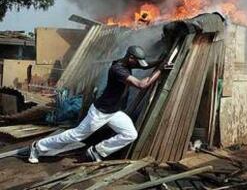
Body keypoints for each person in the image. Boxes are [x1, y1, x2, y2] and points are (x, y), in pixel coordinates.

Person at [28, 45, 162, 163]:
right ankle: (37, 146)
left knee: (130, 134)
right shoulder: (118, 69)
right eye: (137, 61)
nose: (138, 64)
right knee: (75, 135)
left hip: (114, 112)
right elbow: (141, 84)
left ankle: (96, 152)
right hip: (100, 112)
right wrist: (161, 70)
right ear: (131, 58)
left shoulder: (127, 63)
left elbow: (146, 65)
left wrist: (162, 61)